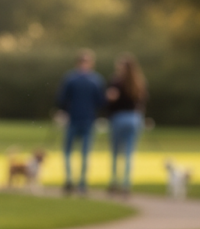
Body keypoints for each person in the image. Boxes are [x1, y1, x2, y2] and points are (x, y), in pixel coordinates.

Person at [55, 49, 106, 194]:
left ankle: (70, 180)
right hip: (87, 119)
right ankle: (81, 182)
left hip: (74, 119)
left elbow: (61, 99)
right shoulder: (96, 80)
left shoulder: (70, 78)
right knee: (84, 153)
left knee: (68, 152)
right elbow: (101, 102)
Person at [106, 53, 147, 195]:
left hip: (119, 118)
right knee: (129, 153)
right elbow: (142, 102)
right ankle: (126, 183)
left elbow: (110, 100)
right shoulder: (138, 82)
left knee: (116, 152)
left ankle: (114, 181)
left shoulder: (116, 82)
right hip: (135, 118)